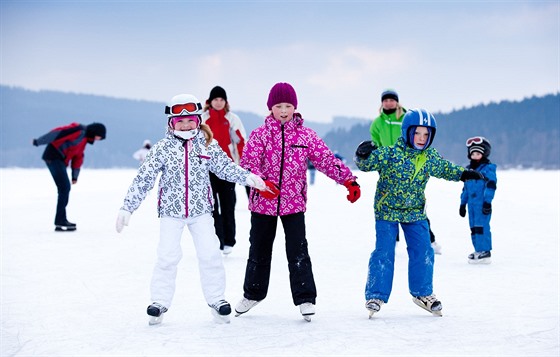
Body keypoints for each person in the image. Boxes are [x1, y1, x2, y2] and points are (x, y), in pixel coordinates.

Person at [115, 94, 265, 325]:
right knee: (167, 256)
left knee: (211, 255)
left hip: (201, 211)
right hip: (170, 213)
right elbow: (144, 178)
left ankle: (217, 300)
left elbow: (225, 168)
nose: (185, 125)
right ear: (171, 123)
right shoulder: (162, 148)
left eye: (190, 120)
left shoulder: (207, 145)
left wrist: (249, 178)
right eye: (180, 121)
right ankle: (159, 302)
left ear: (197, 120)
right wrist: (128, 207)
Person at [234, 82, 361, 322]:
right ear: (270, 107)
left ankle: (305, 298)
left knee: (298, 251)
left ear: (295, 107)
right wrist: (262, 183)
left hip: (293, 203)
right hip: (263, 202)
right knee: (259, 250)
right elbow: (248, 164)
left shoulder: (305, 135)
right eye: (279, 106)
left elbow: (324, 159)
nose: (283, 110)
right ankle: (253, 294)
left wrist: (348, 180)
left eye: (288, 106)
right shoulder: (260, 134)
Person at [354, 108, 484, 318]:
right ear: (406, 132)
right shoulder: (390, 153)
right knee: (384, 252)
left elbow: (444, 167)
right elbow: (367, 164)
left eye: (426, 135)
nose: (422, 139)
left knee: (423, 251)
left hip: (415, 212)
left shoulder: (429, 156)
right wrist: (362, 154)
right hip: (387, 211)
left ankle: (423, 293)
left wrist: (463, 173)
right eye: (417, 133)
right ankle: (375, 295)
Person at [369, 89, 442, 254]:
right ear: (382, 103)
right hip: (388, 164)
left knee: (413, 201)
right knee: (389, 200)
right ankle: (391, 240)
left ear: (397, 102)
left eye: (391, 100)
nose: (388, 103)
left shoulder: (405, 118)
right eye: (385, 100)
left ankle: (429, 239)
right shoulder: (377, 123)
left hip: (410, 162)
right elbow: (375, 142)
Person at [32, 122, 106, 231]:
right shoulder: (78, 130)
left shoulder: (84, 139)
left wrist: (75, 176)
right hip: (53, 156)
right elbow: (57, 133)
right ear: (96, 132)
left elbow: (78, 157)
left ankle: (60, 220)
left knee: (64, 188)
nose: (99, 139)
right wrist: (39, 141)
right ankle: (60, 220)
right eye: (100, 136)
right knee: (64, 188)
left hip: (59, 160)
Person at [201, 86, 249, 255]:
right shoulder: (203, 119)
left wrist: (243, 163)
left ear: (226, 102)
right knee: (212, 206)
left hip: (228, 168)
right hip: (208, 169)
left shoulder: (232, 119)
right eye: (216, 99)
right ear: (210, 101)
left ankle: (229, 240)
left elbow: (241, 141)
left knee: (228, 205)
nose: (219, 102)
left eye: (222, 100)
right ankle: (217, 239)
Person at [459, 136, 497, 264]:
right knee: (474, 228)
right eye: (473, 153)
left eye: (478, 153)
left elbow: (491, 186)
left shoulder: (487, 169)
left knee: (482, 227)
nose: (475, 156)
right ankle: (478, 250)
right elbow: (465, 189)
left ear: (484, 154)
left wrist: (487, 201)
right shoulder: (469, 170)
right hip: (471, 206)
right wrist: (462, 204)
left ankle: (485, 251)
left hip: (482, 204)